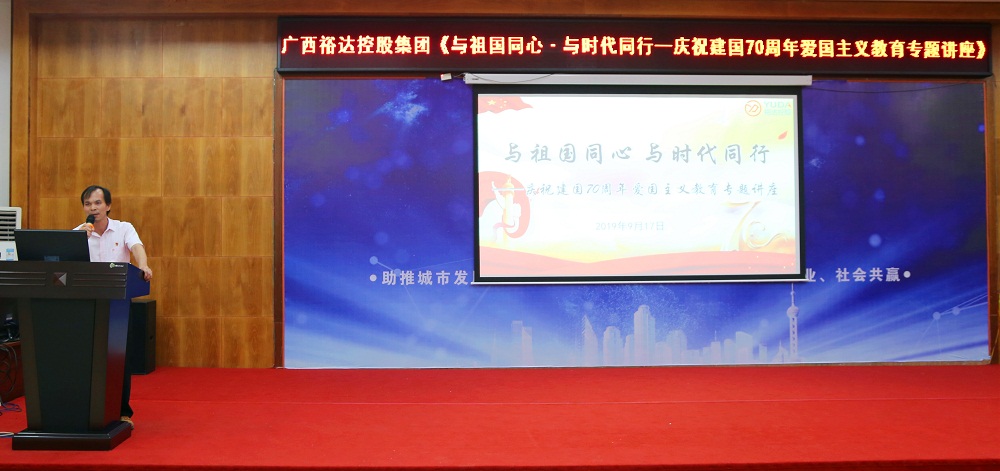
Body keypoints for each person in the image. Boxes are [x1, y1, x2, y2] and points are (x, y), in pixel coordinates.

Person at [74, 185, 153, 429]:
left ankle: (121, 411)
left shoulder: (123, 228)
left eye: (98, 203)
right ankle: (85, 410)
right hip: (86, 302)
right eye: (88, 204)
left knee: (119, 357)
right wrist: (78, 242)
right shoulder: (78, 233)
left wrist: (143, 266)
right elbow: (67, 264)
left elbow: (136, 248)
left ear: (108, 205)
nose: (93, 208)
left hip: (118, 301)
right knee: (87, 357)